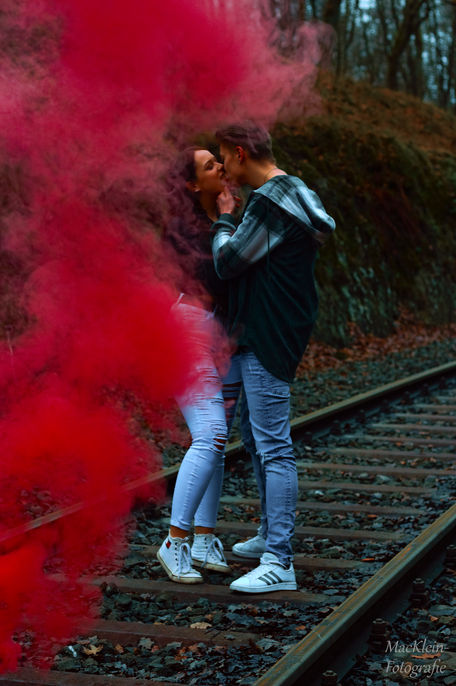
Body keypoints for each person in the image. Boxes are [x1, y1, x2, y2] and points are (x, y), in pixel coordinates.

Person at [211, 121, 335, 593]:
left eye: (225, 156)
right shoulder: (297, 192)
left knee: (273, 445)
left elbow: (228, 262)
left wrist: (224, 218)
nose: (223, 166)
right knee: (254, 434)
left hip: (267, 330)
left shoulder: (268, 202)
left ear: (241, 153)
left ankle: (280, 560)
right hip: (270, 326)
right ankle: (268, 534)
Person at [157, 147, 241, 583]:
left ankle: (205, 539)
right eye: (210, 166)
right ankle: (175, 541)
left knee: (216, 443)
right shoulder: (183, 228)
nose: (220, 167)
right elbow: (213, 279)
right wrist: (227, 220)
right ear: (192, 184)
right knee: (211, 434)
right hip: (189, 329)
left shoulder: (223, 220)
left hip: (222, 337)